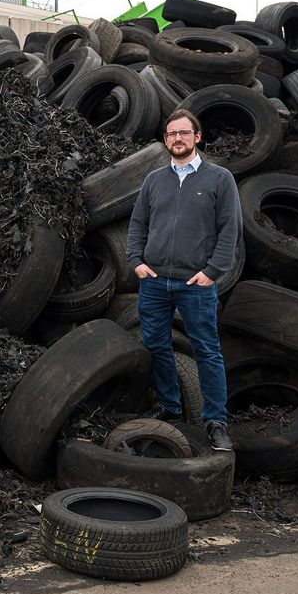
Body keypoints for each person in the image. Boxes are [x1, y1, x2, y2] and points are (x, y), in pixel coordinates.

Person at [125, 108, 242, 452]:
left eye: (183, 133)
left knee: (207, 351)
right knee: (156, 345)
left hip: (196, 284)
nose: (177, 139)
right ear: (166, 141)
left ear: (197, 137)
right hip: (155, 281)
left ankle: (216, 421)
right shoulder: (153, 181)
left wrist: (212, 273)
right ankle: (170, 407)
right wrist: (136, 263)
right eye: (171, 134)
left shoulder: (219, 179)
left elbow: (230, 230)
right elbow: (137, 225)